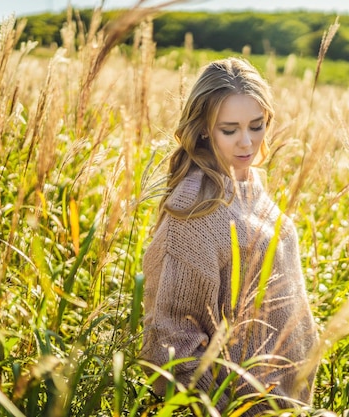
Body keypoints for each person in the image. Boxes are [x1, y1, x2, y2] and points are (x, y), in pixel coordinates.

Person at [141, 57, 319, 414]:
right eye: (230, 129)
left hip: (284, 401)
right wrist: (232, 410)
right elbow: (171, 342)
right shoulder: (195, 212)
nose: (246, 142)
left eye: (257, 126)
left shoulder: (248, 183)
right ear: (204, 128)